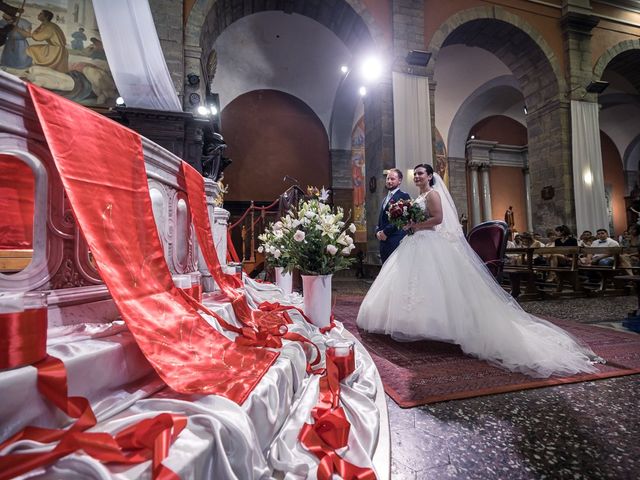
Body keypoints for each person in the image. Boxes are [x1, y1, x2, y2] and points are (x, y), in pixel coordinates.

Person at [357, 163, 602, 378]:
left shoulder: (432, 195)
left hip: (428, 240)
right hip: (416, 241)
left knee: (433, 283)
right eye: (417, 174)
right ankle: (412, 323)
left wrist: (415, 225)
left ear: (430, 177)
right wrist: (410, 224)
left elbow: (438, 220)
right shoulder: (417, 198)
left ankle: (440, 326)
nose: (418, 177)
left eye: (421, 174)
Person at [376, 168, 410, 263]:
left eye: (392, 179)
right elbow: (381, 219)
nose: (389, 181)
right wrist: (378, 232)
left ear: (399, 181)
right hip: (383, 241)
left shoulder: (404, 196)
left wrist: (385, 232)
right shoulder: (384, 199)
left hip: (395, 239)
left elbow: (402, 218)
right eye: (388, 179)